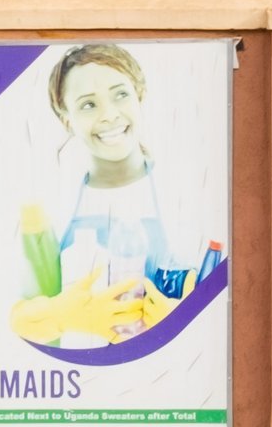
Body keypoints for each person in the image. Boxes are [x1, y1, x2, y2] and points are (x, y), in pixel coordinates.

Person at [12, 44, 202, 346]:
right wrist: (64, 316)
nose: (109, 115)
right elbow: (17, 318)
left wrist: (183, 321)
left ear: (139, 97)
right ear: (66, 120)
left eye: (121, 94)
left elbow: (222, 303)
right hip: (83, 380)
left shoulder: (185, 196)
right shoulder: (50, 208)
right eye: (88, 105)